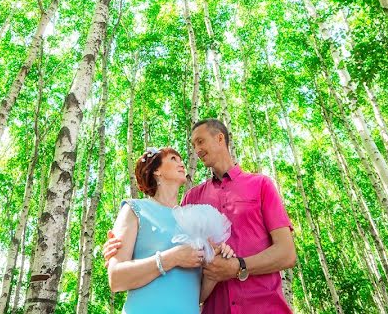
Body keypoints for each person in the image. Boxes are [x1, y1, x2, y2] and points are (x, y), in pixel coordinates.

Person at [106, 119, 297, 313]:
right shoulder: (191, 199)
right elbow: (168, 238)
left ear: (220, 138)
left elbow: (287, 253)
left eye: (200, 141)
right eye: (193, 145)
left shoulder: (261, 185)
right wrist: (120, 247)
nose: (196, 150)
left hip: (263, 306)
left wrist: (238, 266)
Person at [107, 147, 235, 313]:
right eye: (173, 159)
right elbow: (116, 279)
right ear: (156, 170)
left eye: (181, 159)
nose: (181, 163)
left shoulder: (195, 220)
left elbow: (197, 296)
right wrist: (172, 258)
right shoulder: (134, 209)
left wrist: (215, 267)